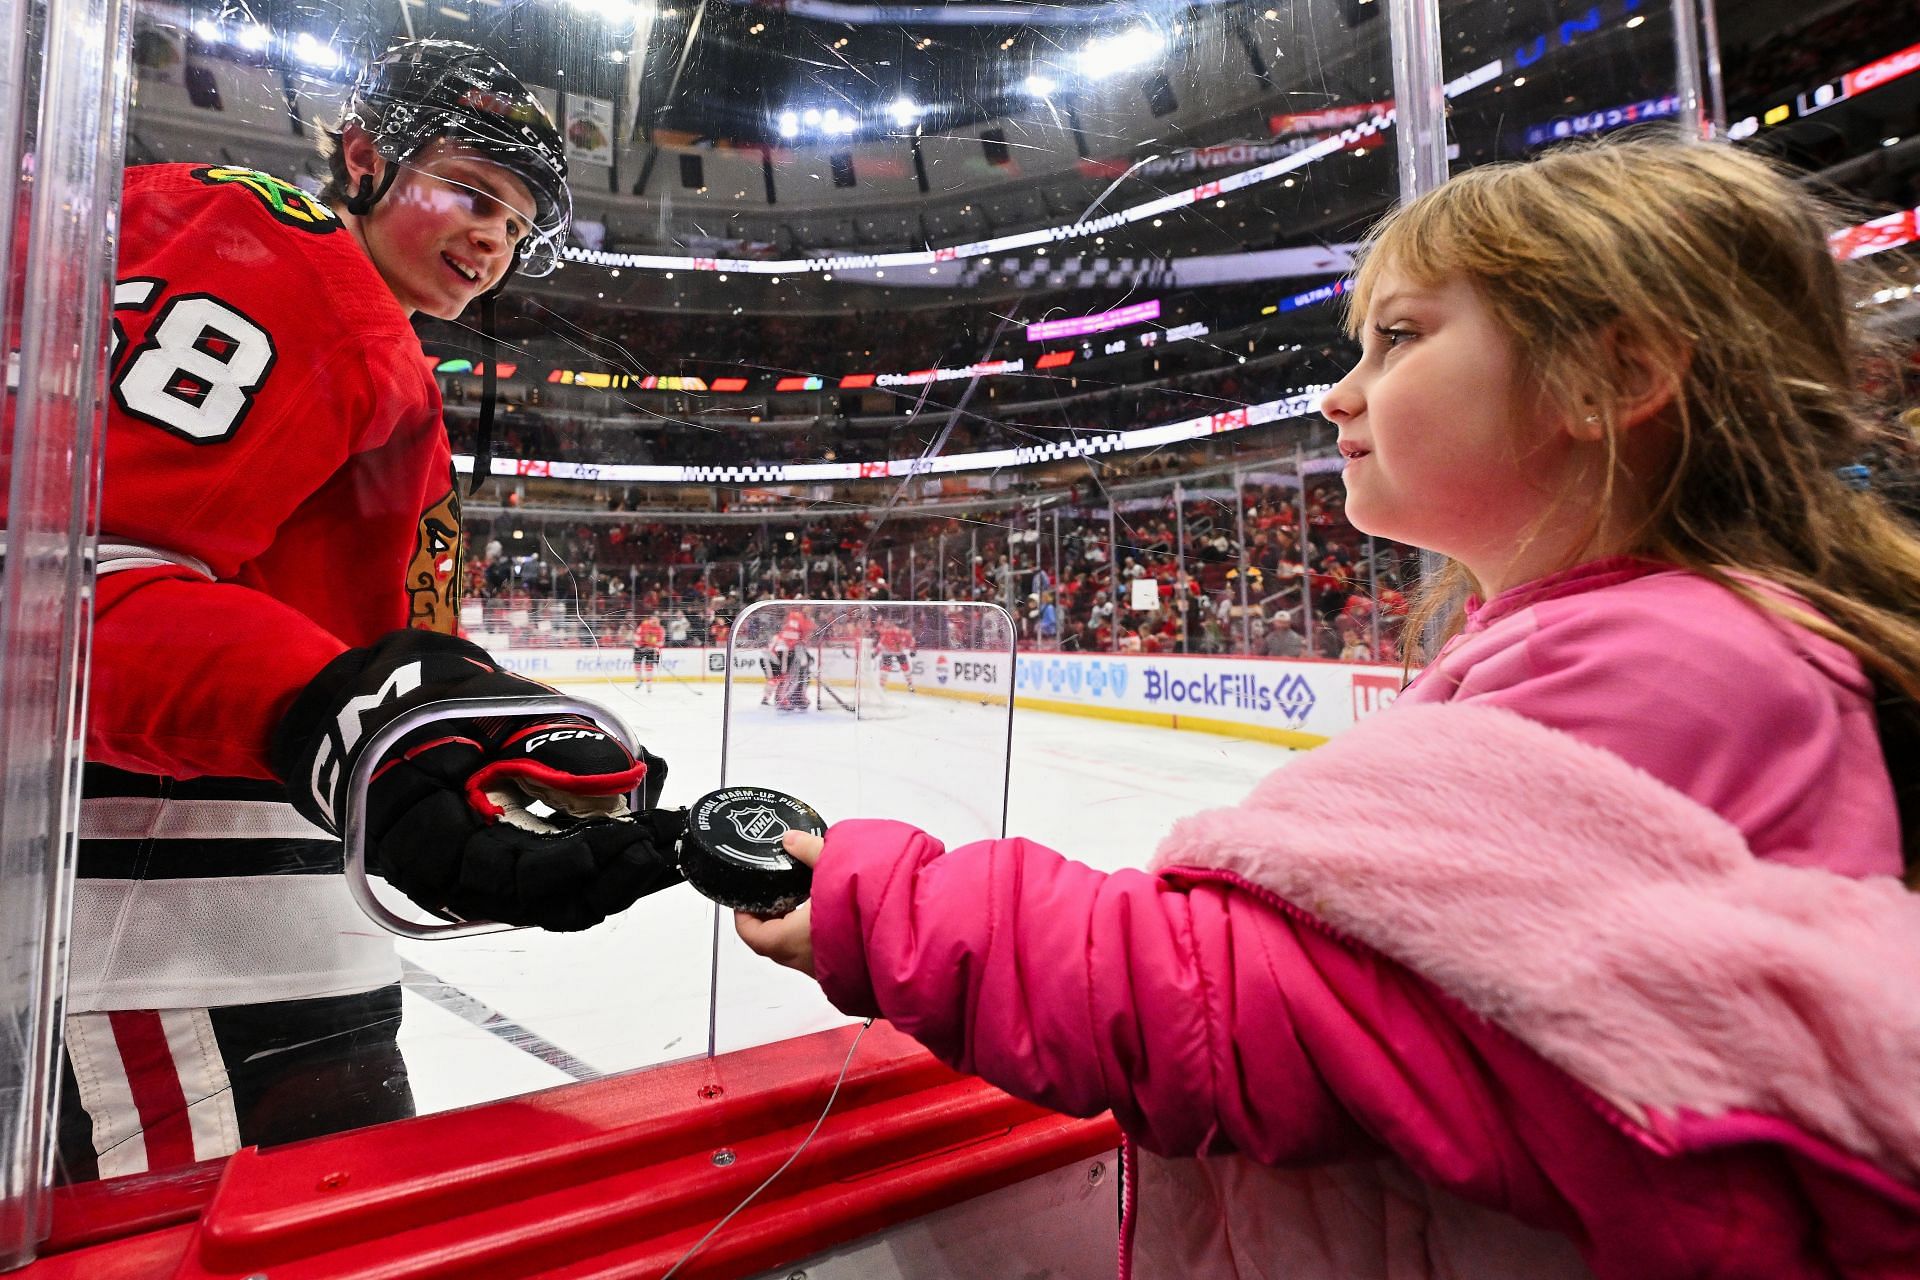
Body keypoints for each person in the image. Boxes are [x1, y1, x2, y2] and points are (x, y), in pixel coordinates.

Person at [737, 138, 1920, 1277]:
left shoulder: (1670, 659)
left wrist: (873, 901)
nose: (1337, 393)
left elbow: (1252, 1004)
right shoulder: (1646, 640)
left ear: (1614, 377)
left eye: (1397, 338)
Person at [51, 40, 686, 1183]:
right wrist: (356, 717)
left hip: (283, 922)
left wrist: (472, 717)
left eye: (517, 220)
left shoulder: (373, 337)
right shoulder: (277, 258)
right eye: (472, 191)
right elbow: (75, 586)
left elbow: (341, 634)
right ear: (361, 157)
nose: (495, 238)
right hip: (160, 928)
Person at [632, 613, 666, 692]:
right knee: (637, 664)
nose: (654, 622)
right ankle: (639, 680)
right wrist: (639, 645)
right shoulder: (644, 625)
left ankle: (649, 687)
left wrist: (654, 647)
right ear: (650, 619)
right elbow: (636, 636)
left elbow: (661, 643)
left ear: (659, 621)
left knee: (649, 667)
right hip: (640, 648)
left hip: (651, 650)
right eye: (653, 620)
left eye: (656, 620)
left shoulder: (660, 630)